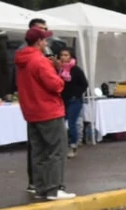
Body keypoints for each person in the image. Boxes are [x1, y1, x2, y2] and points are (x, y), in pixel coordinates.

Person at [16, 26, 74, 200]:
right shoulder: (40, 61)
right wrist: (57, 72)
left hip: (31, 111)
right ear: (39, 42)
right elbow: (56, 85)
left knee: (38, 151)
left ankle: (41, 188)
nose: (47, 43)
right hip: (48, 110)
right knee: (55, 151)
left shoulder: (22, 61)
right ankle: (53, 189)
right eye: (45, 40)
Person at [57, 48, 88, 158]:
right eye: (61, 55)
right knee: (60, 123)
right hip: (62, 100)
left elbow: (84, 84)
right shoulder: (59, 70)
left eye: (66, 55)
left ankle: (73, 145)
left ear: (71, 57)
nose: (63, 57)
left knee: (72, 123)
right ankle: (62, 145)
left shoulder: (76, 70)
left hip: (74, 100)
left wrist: (76, 94)